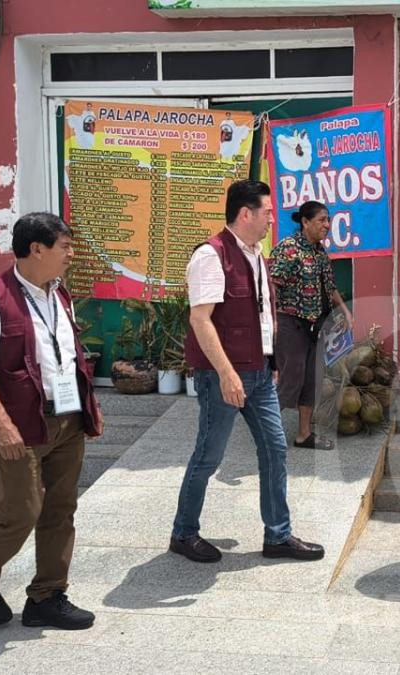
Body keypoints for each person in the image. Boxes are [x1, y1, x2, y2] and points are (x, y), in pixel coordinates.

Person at [0, 212, 103, 630]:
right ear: (37, 249)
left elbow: (66, 356)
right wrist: (1, 424)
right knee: (21, 510)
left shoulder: (58, 294)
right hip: (20, 424)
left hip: (67, 418)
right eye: (65, 247)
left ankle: (47, 597)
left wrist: (88, 406)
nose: (71, 254)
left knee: (61, 509)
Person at [169, 179, 324, 564]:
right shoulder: (211, 255)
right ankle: (183, 533)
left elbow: (262, 316)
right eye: (267, 212)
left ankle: (278, 535)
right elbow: (201, 320)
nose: (273, 219)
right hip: (222, 376)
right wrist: (226, 373)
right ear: (245, 214)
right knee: (209, 456)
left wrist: (271, 363)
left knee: (275, 449)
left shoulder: (257, 255)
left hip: (259, 375)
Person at [269, 200, 352, 450]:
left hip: (314, 327)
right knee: (290, 380)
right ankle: (267, 433)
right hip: (290, 324)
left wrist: (345, 311)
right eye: (321, 220)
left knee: (311, 381)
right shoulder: (289, 248)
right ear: (305, 222)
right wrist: (270, 320)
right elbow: (271, 285)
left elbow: (330, 287)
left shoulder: (320, 252)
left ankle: (303, 435)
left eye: (328, 220)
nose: (327, 225)